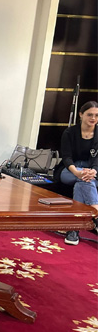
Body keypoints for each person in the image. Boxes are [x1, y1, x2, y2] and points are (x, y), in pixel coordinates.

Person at [55, 100, 98, 245]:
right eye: (90, 115)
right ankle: (96, 213)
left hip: (91, 172)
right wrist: (77, 172)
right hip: (69, 169)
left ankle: (73, 229)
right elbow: (66, 158)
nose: (93, 118)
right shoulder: (69, 133)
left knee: (83, 181)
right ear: (81, 114)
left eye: (97, 115)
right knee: (84, 179)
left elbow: (97, 159)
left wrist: (92, 171)